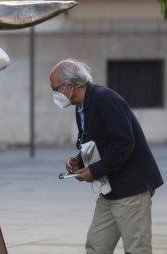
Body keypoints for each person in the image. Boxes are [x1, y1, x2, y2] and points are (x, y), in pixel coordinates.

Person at [49, 58, 164, 254]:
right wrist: (80, 160)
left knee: (137, 250)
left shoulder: (105, 99)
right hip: (109, 189)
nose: (54, 94)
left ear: (71, 86)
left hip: (131, 189)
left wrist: (94, 170)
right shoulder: (82, 106)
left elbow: (124, 143)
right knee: (96, 246)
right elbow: (97, 141)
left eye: (55, 89)